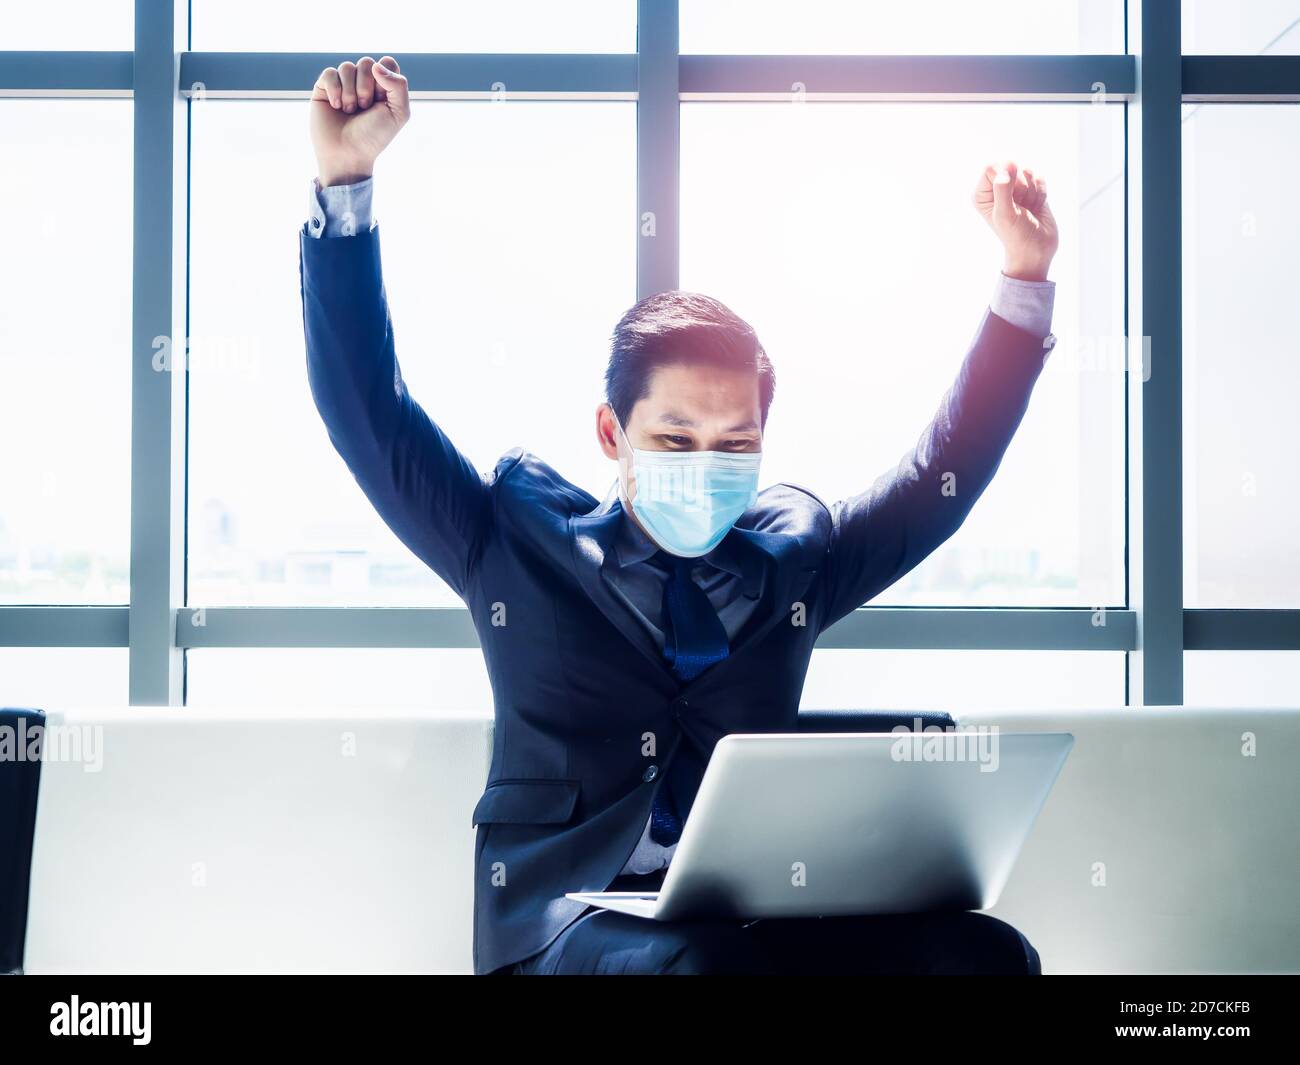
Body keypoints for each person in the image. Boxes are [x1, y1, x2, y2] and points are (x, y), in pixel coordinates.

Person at [301, 56, 1058, 975]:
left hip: (756, 913)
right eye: (674, 437)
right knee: (697, 969)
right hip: (561, 928)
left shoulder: (796, 563)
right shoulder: (509, 542)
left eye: (736, 443)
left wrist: (1023, 278)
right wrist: (346, 189)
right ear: (610, 430)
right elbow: (367, 413)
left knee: (983, 954)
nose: (708, 464)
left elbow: (945, 475)